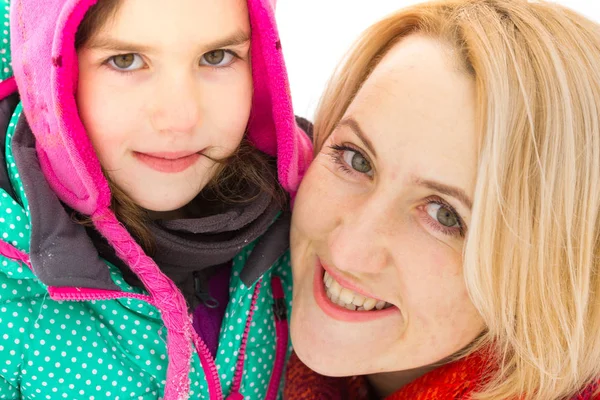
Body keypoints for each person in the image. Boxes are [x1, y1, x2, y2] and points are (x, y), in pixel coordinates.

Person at [285, 0, 600, 399]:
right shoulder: (231, 319)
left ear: (552, 275)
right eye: (356, 159)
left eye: (444, 214)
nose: (348, 252)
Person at [0, 0, 312, 398]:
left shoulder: (305, 218)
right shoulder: (11, 308)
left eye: (216, 57)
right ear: (54, 74)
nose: (179, 118)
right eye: (126, 60)